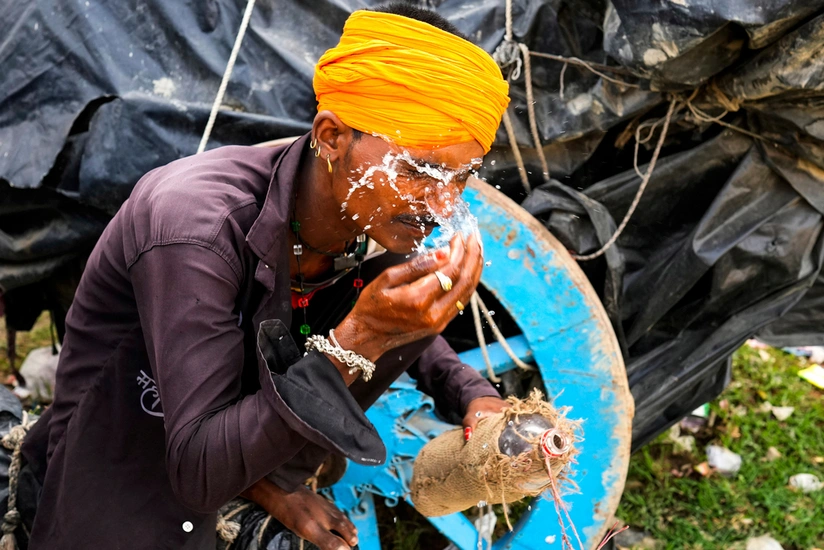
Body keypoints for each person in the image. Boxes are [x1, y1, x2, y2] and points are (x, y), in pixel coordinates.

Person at [20, 3, 511, 549]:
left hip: (236, 448)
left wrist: (470, 392)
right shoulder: (195, 227)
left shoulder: (363, 206)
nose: (444, 204)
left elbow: (396, 306)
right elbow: (199, 474)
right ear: (331, 137)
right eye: (422, 170)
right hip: (125, 459)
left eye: (462, 177)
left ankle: (264, 479)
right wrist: (362, 336)